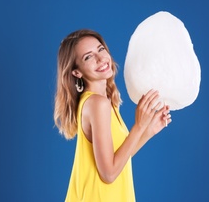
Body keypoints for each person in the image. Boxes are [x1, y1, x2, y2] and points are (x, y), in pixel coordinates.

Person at [54, 29, 172, 202]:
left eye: (100, 49)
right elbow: (108, 174)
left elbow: (119, 159)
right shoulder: (97, 104)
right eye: (88, 57)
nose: (101, 58)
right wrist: (138, 126)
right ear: (76, 72)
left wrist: (148, 131)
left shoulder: (104, 102)